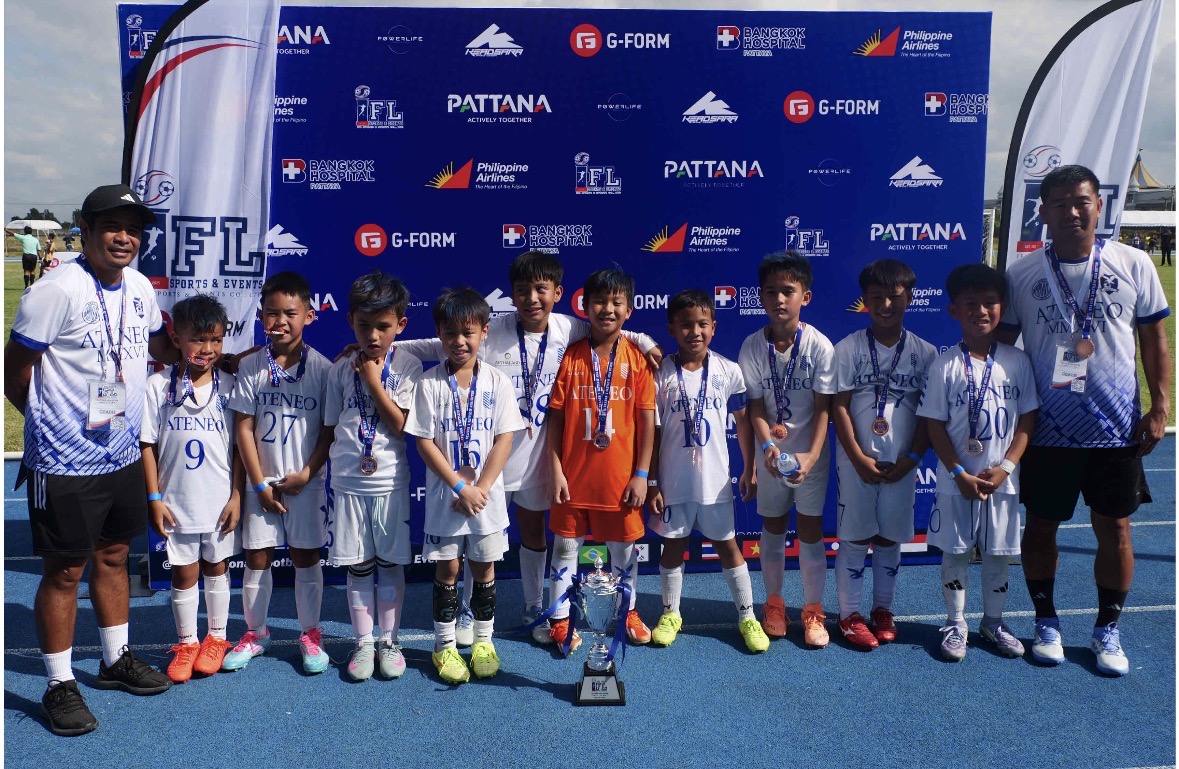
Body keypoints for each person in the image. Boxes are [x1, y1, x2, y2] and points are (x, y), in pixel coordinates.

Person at [393, 251, 659, 647]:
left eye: (541, 290)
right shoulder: (491, 328)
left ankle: (536, 607)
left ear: (558, 293)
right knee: (472, 540)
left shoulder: (570, 329)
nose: (533, 298)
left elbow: (612, 329)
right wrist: (381, 356)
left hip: (538, 461)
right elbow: (419, 349)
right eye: (523, 291)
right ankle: (466, 608)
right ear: (512, 296)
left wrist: (646, 340)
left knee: (534, 536)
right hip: (487, 463)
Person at [3, 184, 176, 736]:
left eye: (134, 228)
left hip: (121, 451)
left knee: (115, 556)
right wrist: (46, 426)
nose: (125, 237)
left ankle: (113, 659)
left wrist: (215, 352)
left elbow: (156, 348)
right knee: (63, 571)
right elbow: (15, 369)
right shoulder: (55, 290)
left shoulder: (142, 287)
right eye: (112, 226)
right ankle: (58, 684)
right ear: (86, 227)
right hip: (64, 461)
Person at [997, 164, 1170, 676]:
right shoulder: (1021, 274)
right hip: (1046, 430)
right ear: (1043, 212)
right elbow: (1003, 349)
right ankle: (1046, 620)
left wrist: (1160, 406)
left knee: (1115, 529)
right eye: (1060, 204)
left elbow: (1153, 340)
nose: (1072, 212)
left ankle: (1106, 629)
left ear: (1099, 205)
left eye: (1082, 201)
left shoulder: (1134, 262)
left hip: (1116, 428)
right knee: (1042, 527)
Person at [916, 264, 1038, 661]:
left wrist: (1005, 468)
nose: (981, 311)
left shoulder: (1018, 362)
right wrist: (957, 472)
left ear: (1003, 308)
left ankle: (994, 620)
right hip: (957, 481)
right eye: (971, 304)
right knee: (955, 552)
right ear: (954, 311)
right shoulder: (944, 364)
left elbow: (1027, 419)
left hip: (1003, 481)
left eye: (990, 303)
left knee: (999, 554)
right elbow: (933, 426)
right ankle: (955, 623)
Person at [405, 288, 524, 684]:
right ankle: (444, 646)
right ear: (439, 332)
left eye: (468, 332)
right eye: (451, 333)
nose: (460, 341)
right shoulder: (429, 384)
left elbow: (506, 437)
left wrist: (482, 487)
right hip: (447, 499)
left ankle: (484, 642)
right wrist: (461, 487)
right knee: (449, 568)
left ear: (484, 332)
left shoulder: (498, 382)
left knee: (485, 566)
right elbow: (423, 441)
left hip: (486, 499)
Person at [223, 271, 334, 674]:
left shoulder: (323, 369)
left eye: (291, 313)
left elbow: (328, 429)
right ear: (260, 315)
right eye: (272, 313)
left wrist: (307, 473)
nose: (280, 321)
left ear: (309, 315)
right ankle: (256, 633)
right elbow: (244, 428)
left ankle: (310, 633)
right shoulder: (251, 366)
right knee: (257, 558)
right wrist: (257, 483)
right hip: (261, 484)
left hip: (306, 483)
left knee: (306, 558)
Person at [647, 289, 769, 652]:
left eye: (702, 324)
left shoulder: (728, 371)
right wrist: (653, 481)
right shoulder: (659, 374)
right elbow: (652, 432)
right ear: (672, 328)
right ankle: (671, 612)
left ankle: (747, 615)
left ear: (714, 328)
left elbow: (743, 421)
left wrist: (750, 467)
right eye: (686, 325)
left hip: (715, 482)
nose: (694, 332)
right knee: (673, 546)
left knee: (728, 546)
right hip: (673, 481)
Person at [546, 267, 656, 650]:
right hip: (573, 478)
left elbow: (646, 423)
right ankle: (560, 620)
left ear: (629, 308)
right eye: (599, 301)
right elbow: (555, 421)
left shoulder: (638, 361)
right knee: (565, 548)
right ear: (585, 306)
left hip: (621, 479)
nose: (607, 309)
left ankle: (628, 610)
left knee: (624, 550)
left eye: (616, 302)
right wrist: (556, 469)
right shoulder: (571, 357)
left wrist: (642, 474)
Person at [831, 259, 936, 650]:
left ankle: (882, 610)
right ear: (864, 301)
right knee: (855, 537)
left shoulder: (925, 354)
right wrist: (857, 456)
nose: (886, 305)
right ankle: (848, 615)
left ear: (909, 297)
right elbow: (838, 407)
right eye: (877, 297)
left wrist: (914, 457)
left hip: (903, 463)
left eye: (894, 297)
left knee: (890, 539)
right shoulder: (848, 349)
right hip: (857, 461)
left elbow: (931, 413)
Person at [323, 272, 423, 681]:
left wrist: (373, 382)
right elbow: (331, 424)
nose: (374, 335)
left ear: (401, 324)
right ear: (350, 322)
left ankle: (389, 640)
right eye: (365, 326)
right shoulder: (338, 368)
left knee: (390, 563)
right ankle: (364, 642)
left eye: (384, 326)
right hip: (348, 482)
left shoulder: (410, 365)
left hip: (390, 483)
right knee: (359, 566)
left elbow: (401, 426)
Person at [141, 294, 243, 683]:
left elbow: (239, 448)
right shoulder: (157, 386)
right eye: (198, 340)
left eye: (215, 340)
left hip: (219, 502)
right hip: (176, 501)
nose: (207, 349)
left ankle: (217, 638)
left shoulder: (231, 387)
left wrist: (236, 495)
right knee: (184, 573)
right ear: (176, 337)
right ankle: (186, 642)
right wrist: (154, 498)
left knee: (217, 568)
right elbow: (146, 445)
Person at [738, 251, 837, 648]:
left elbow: (825, 408)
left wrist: (811, 456)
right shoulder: (750, 346)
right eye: (771, 292)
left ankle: (812, 609)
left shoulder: (820, 346)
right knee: (774, 526)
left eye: (788, 292)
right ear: (761, 297)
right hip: (774, 455)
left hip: (812, 453)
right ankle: (774, 604)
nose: (779, 299)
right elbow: (756, 406)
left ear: (805, 297)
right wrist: (766, 446)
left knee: (811, 530)